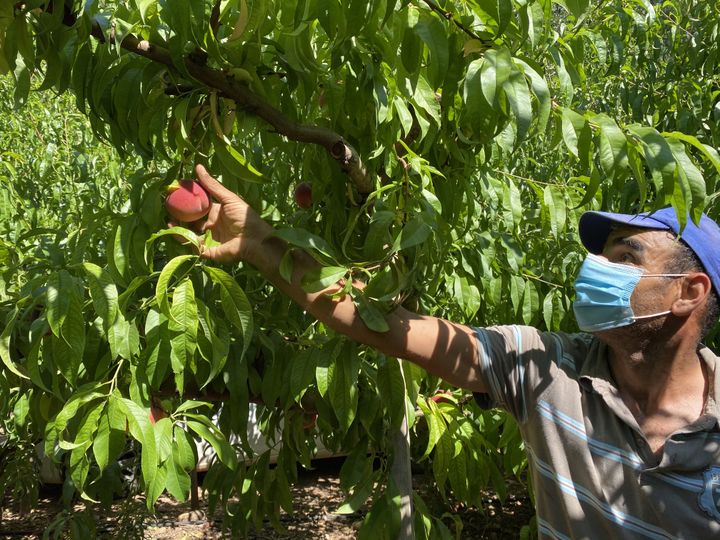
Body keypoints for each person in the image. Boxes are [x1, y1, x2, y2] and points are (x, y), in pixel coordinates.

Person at [191, 164, 720, 538]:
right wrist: (263, 243)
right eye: (602, 256)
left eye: (626, 258)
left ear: (688, 292)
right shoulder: (544, 368)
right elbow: (389, 327)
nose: (597, 271)